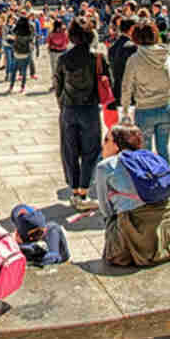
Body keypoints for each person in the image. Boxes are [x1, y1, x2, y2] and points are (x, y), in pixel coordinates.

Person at [94, 122, 170, 266]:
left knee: (110, 220)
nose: (103, 144)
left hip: (137, 239)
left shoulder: (105, 167)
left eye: (106, 140)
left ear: (117, 146)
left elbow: (106, 210)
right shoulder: (151, 157)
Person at [54, 17, 101, 211]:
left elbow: (58, 86)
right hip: (89, 108)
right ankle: (83, 191)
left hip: (69, 108)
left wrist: (63, 105)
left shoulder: (63, 59)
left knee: (70, 151)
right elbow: (106, 82)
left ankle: (74, 190)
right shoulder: (97, 57)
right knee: (91, 151)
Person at [119, 20, 170, 165]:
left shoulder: (134, 60)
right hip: (165, 106)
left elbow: (126, 87)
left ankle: (149, 184)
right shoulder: (166, 55)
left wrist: (125, 110)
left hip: (145, 109)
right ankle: (165, 179)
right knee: (163, 150)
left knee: (145, 153)